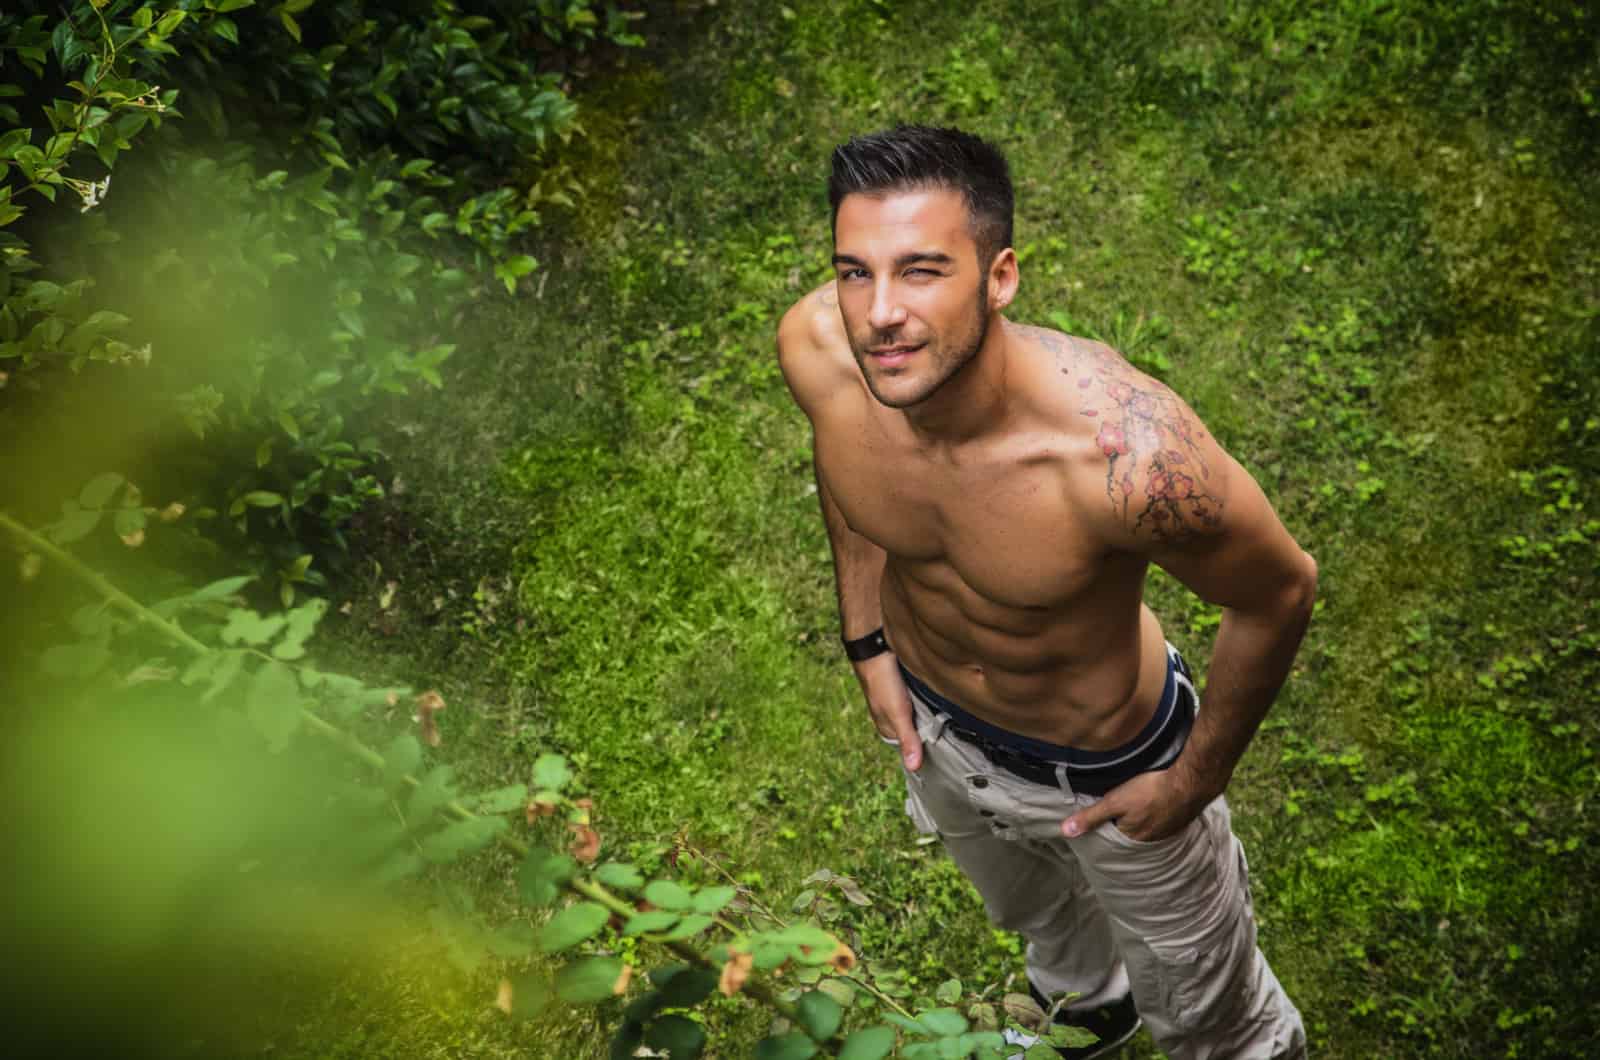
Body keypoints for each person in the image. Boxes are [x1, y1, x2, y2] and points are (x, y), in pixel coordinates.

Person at [776, 125, 1315, 1059]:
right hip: (939, 735)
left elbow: (1280, 591)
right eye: (855, 272)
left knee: (1218, 1026)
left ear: (1001, 277)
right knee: (1047, 937)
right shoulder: (826, 354)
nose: (878, 314)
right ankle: (1091, 1014)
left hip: (1110, 773)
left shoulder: (1126, 460)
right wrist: (866, 640)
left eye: (922, 271)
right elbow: (844, 473)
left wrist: (1194, 780)